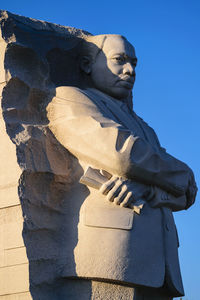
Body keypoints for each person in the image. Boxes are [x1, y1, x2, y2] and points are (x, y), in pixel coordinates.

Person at [47, 34, 197, 299]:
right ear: (86, 65)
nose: (130, 70)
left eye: (134, 63)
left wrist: (147, 187)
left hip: (161, 267)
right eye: (119, 60)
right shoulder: (69, 99)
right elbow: (122, 155)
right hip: (112, 256)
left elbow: (188, 191)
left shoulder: (145, 128)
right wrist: (179, 173)